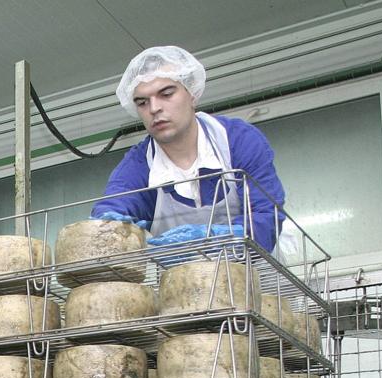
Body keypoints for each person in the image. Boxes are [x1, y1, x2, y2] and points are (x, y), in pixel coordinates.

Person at [90, 46, 287, 254]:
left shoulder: (237, 140)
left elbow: (267, 214)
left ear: (192, 94)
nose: (154, 108)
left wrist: (221, 240)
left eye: (166, 94)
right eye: (142, 102)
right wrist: (107, 224)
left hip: (257, 278)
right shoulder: (139, 164)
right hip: (181, 283)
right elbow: (113, 206)